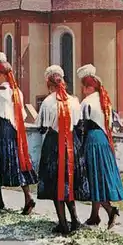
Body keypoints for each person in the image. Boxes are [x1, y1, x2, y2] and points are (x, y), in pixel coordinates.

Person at [37, 65, 90, 235]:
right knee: (69, 182)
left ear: (49, 84)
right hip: (71, 144)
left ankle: (62, 223)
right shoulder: (74, 100)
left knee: (56, 184)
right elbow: (79, 124)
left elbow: (42, 127)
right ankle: (74, 220)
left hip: (54, 145)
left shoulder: (47, 102)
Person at [0, 52, 37, 214]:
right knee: (18, 161)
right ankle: (27, 196)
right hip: (13, 130)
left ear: (0, 74)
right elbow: (21, 114)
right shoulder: (17, 91)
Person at [77, 64, 123, 229]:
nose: (83, 89)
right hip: (104, 141)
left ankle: (110, 209)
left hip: (92, 141)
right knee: (99, 177)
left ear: (89, 87)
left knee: (93, 177)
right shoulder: (105, 101)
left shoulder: (86, 103)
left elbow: (81, 126)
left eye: (84, 86)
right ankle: (94, 216)